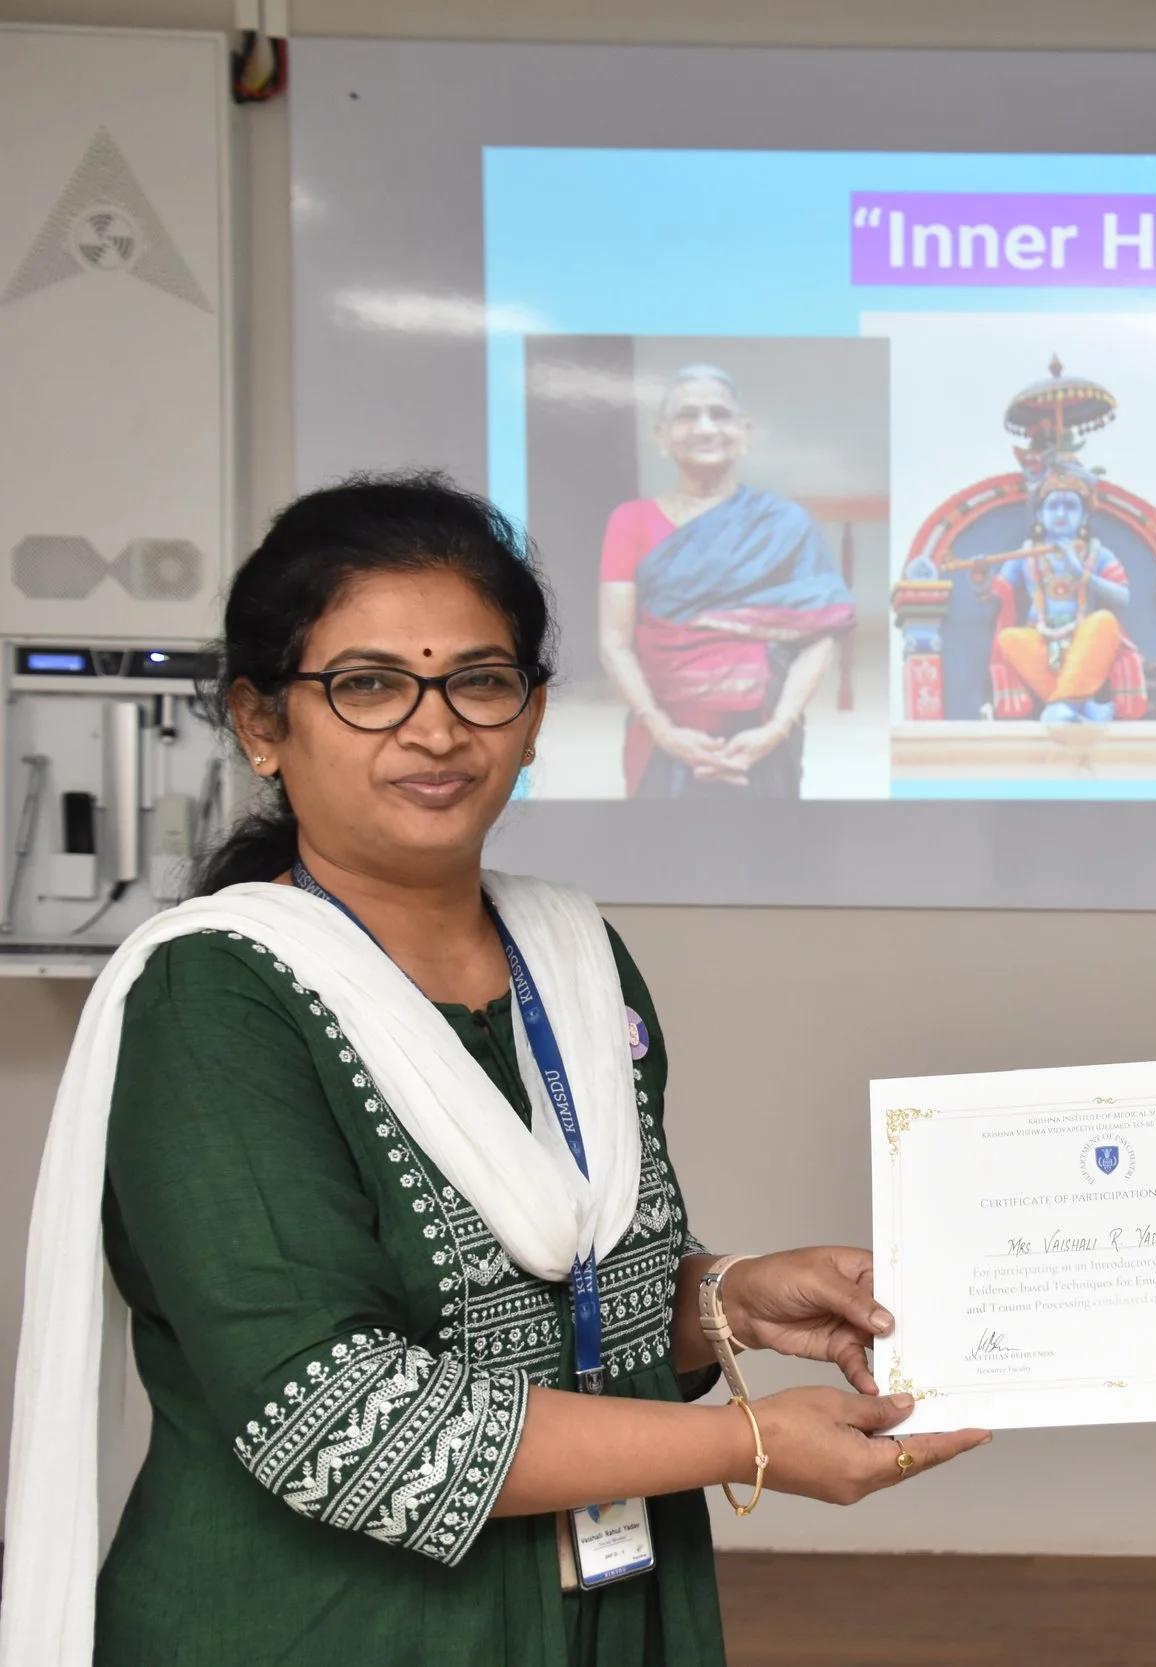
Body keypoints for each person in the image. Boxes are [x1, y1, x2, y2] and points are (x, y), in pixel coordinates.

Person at [0, 474, 982, 1667]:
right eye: (366, 685)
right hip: (325, 1627)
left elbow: (545, 1308)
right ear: (263, 724)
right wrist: (746, 1442)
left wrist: (726, 1300)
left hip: (603, 1607)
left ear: (530, 715)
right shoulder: (219, 997)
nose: (435, 727)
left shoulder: (573, 956)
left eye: (479, 679)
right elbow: (342, 1425)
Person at [596, 365, 854, 797]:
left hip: (762, 736)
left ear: (744, 432)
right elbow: (614, 641)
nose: (705, 427)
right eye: (687, 415)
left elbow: (817, 636)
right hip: (662, 737)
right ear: (661, 437)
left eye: (719, 414)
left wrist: (774, 731)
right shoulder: (631, 522)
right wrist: (663, 730)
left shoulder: (785, 524)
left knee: (767, 858)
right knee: (656, 858)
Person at [983, 459, 1132, 721]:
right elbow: (999, 594)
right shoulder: (1027, 553)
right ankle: (1080, 708)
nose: (1061, 514)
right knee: (1010, 639)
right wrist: (981, 583)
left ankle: (1059, 709)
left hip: (1084, 635)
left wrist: (1082, 575)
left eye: (1070, 506)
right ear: (1040, 515)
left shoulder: (1097, 553)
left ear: (1084, 516)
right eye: (1053, 506)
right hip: (1040, 638)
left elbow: (1123, 596)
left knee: (1105, 623)